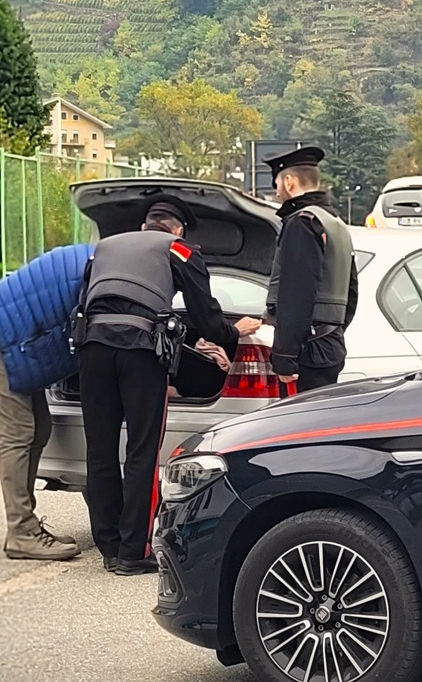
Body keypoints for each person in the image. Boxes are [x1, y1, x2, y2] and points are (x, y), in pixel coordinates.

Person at [77, 195, 261, 576]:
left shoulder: (103, 248)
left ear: (146, 225)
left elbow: (84, 303)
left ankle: (109, 547)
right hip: (139, 354)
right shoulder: (178, 248)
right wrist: (231, 332)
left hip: (92, 351)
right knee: (142, 449)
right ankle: (133, 552)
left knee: (100, 449)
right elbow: (204, 314)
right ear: (177, 229)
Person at [0, 244, 94, 561]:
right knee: (19, 431)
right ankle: (22, 532)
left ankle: (27, 526)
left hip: (18, 339)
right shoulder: (100, 276)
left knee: (39, 427)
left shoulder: (100, 260)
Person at [264, 146, 359, 392]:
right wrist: (332, 330)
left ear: (289, 181)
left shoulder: (302, 223)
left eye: (277, 184)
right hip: (328, 346)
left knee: (295, 426)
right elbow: (351, 290)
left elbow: (296, 294)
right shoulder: (334, 222)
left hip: (306, 353)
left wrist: (285, 357)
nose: (276, 192)